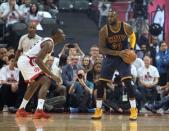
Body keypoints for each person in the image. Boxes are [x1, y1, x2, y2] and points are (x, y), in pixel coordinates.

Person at [91, 9, 137, 120]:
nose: (109, 18)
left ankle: (134, 110)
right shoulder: (104, 30)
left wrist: (131, 48)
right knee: (101, 83)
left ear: (117, 16)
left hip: (124, 58)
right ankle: (98, 110)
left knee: (128, 82)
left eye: (112, 16)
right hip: (110, 58)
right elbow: (102, 49)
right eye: (108, 17)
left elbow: (133, 36)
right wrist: (118, 53)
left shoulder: (125, 26)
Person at [16, 27, 65, 119]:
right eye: (62, 34)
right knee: (46, 80)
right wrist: (53, 75)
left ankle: (21, 109)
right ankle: (39, 110)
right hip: (28, 62)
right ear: (56, 35)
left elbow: (39, 60)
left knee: (34, 85)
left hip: (26, 61)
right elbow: (38, 60)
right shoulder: (49, 43)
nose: (64, 35)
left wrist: (47, 72)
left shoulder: (49, 42)